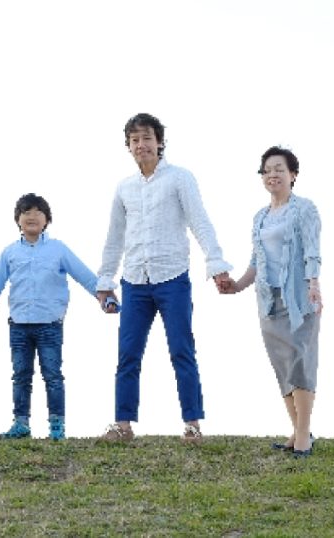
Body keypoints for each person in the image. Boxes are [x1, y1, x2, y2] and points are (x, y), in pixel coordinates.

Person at [96, 113, 233, 444]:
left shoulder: (179, 178)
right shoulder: (124, 188)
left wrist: (216, 263)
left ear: (159, 142)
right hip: (134, 282)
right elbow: (115, 237)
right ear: (128, 146)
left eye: (147, 138)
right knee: (128, 354)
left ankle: (192, 425)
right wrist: (105, 281)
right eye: (134, 140)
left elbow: (200, 221)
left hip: (172, 279)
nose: (141, 145)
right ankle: (123, 425)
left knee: (181, 350)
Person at [0, 193, 107, 441]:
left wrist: (104, 297)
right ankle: (21, 424)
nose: (32, 216)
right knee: (20, 376)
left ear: (47, 220)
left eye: (37, 212)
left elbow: (84, 276)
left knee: (52, 375)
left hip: (49, 325)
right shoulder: (10, 253)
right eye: (26, 212)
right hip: (19, 326)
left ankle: (57, 426)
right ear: (18, 220)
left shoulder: (58, 249)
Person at [222, 146, 322, 458]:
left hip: (299, 298)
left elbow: (312, 250)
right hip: (268, 300)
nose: (272, 175)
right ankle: (298, 430)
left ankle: (303, 435)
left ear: (293, 175)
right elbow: (257, 261)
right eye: (267, 170)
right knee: (282, 365)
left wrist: (314, 284)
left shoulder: (304, 209)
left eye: (279, 169)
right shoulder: (260, 217)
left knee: (301, 362)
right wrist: (237, 286)